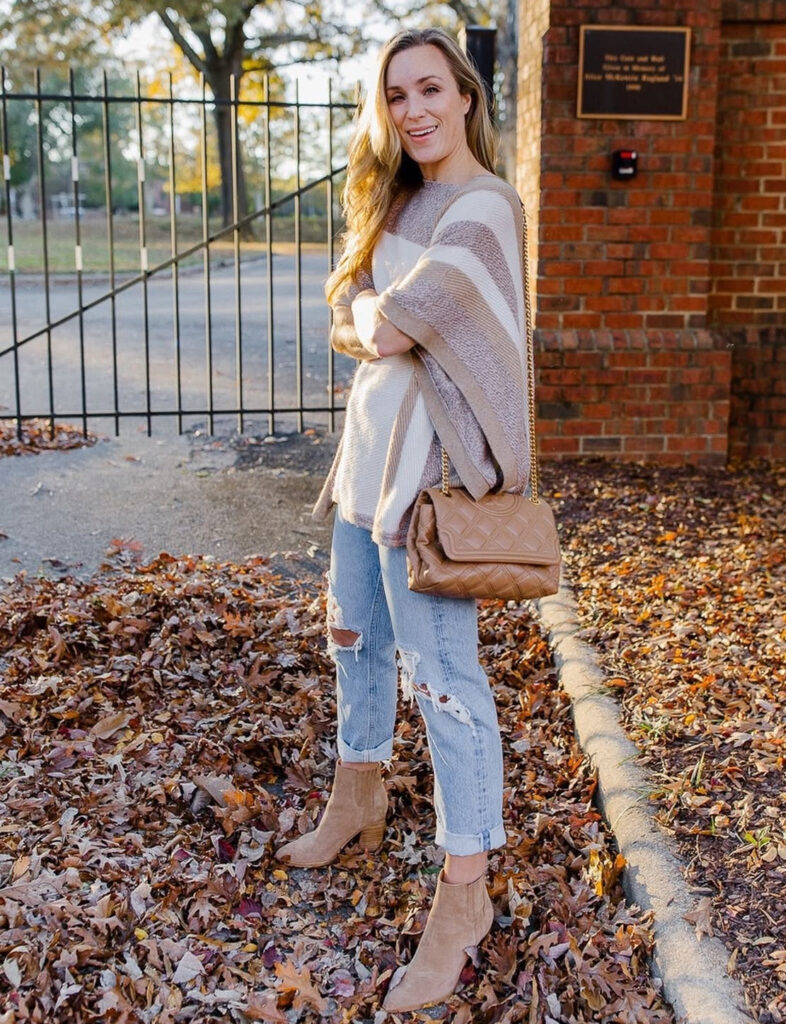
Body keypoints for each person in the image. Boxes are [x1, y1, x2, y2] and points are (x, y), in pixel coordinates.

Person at [275, 27, 530, 1013]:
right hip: (362, 469)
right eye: (395, 95)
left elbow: (374, 325)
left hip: (430, 483)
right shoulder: (402, 196)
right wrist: (370, 314)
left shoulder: (484, 208)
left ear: (466, 95)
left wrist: (372, 316)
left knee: (447, 683)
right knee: (354, 641)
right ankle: (359, 798)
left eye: (430, 88)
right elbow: (348, 304)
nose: (413, 109)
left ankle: (464, 894)